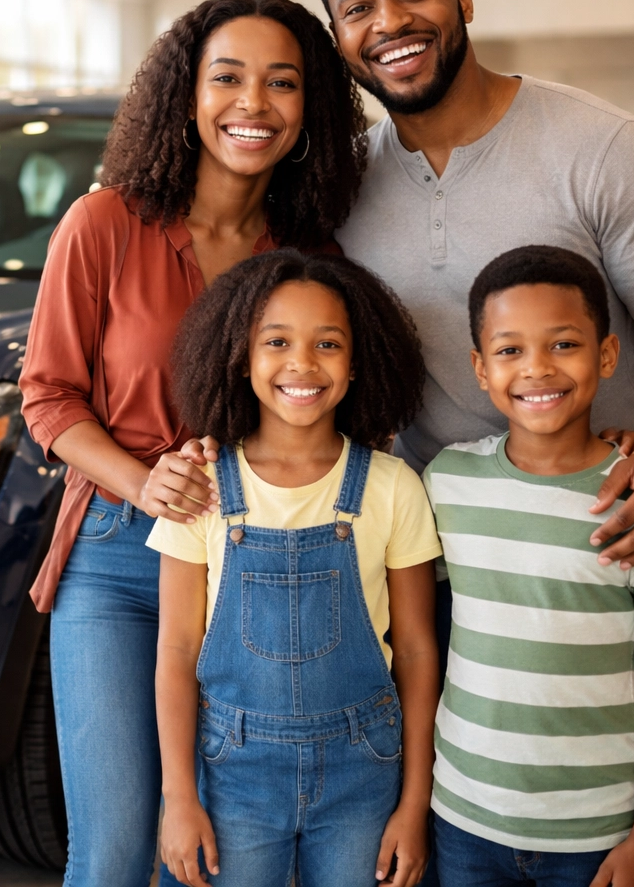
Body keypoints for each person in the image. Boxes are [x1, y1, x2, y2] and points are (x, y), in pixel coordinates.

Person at [18, 0, 367, 886]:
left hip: (259, 560)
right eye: (229, 78)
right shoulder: (103, 226)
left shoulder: (309, 254)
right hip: (120, 564)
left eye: (281, 83)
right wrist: (144, 484)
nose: (253, 103)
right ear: (185, 94)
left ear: (309, 108)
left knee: (213, 852)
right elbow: (49, 398)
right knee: (116, 847)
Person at [310, 0, 634, 576]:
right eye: (358, 7)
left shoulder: (607, 151)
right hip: (423, 557)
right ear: (338, 35)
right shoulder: (343, 184)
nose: (391, 21)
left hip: (598, 543)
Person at [424, 245, 634, 887]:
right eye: (509, 351)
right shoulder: (448, 482)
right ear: (479, 367)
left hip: (598, 833)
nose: (536, 369)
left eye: (563, 345)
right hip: (462, 817)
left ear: (607, 355)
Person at [153, 249, 442, 887]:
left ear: (359, 361)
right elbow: (176, 649)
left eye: (328, 343)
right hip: (233, 773)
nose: (302, 363)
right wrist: (179, 798)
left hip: (364, 769)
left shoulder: (393, 488)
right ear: (241, 357)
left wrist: (414, 804)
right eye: (276, 340)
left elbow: (419, 653)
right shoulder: (199, 484)